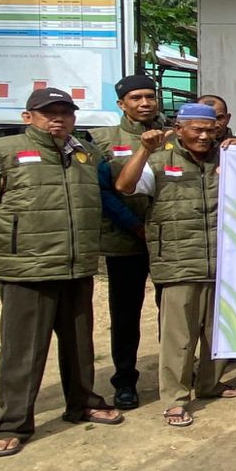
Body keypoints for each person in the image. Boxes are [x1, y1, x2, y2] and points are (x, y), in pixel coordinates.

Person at [0, 88, 123, 457]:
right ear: (28, 117)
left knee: (79, 343)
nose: (58, 118)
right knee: (24, 350)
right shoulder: (1, 152)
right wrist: (6, 255)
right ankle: (14, 423)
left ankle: (82, 401)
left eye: (65, 112)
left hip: (76, 264)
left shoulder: (85, 153)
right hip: (29, 269)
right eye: (47, 112)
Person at [114, 103, 236, 427]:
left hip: (222, 259)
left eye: (210, 129)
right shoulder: (159, 159)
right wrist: (143, 151)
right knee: (179, 336)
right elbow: (124, 186)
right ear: (179, 128)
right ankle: (175, 398)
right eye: (196, 130)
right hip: (177, 258)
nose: (204, 136)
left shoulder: (227, 156)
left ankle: (210, 384)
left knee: (218, 331)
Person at [90, 74, 164, 410]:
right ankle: (124, 381)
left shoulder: (175, 136)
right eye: (136, 98)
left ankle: (174, 376)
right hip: (125, 242)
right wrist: (135, 227)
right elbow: (104, 192)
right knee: (125, 315)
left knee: (172, 312)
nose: (145, 103)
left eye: (150, 96)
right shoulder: (103, 140)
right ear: (122, 104)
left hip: (169, 241)